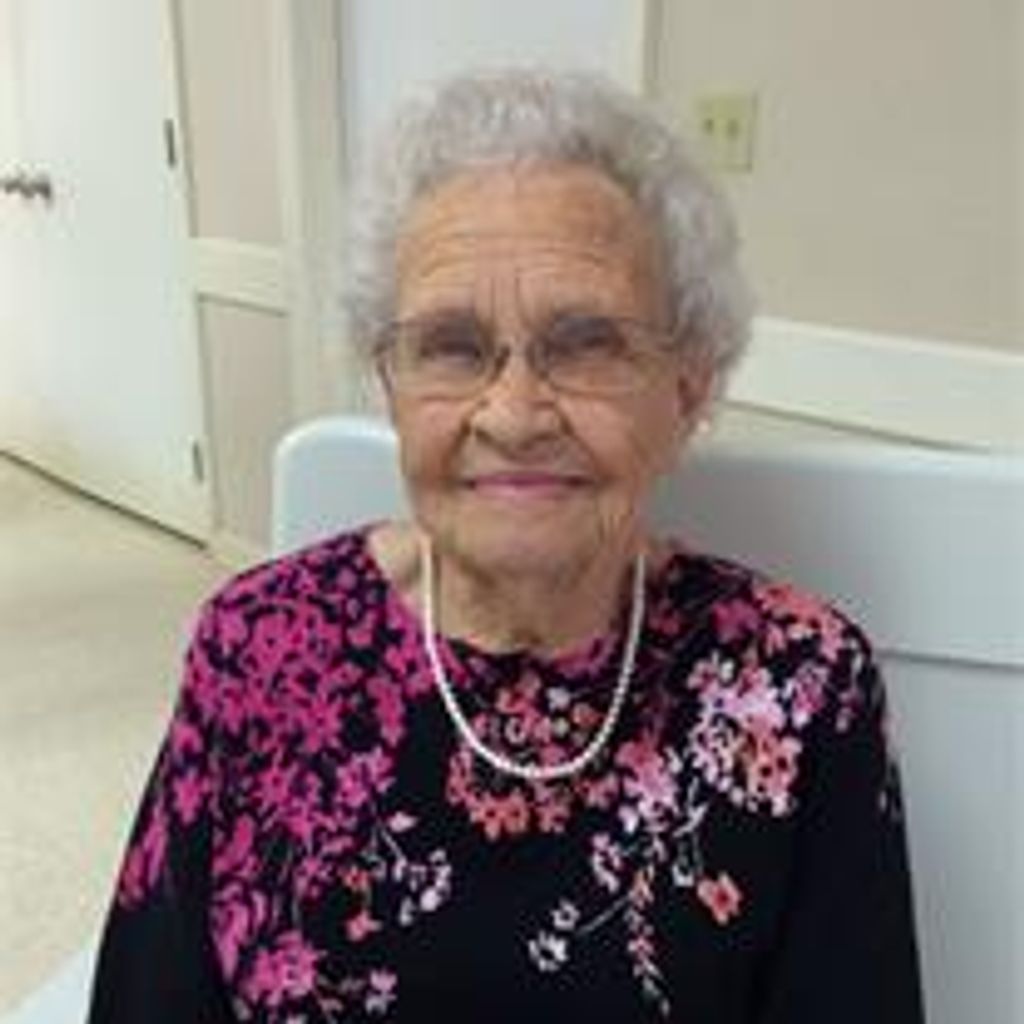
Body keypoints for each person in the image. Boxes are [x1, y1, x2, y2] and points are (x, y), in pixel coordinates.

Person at [87, 69, 924, 1023]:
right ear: (391, 385)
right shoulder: (258, 645)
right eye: (450, 344)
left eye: (587, 343)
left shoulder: (800, 684)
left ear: (688, 388)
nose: (515, 415)